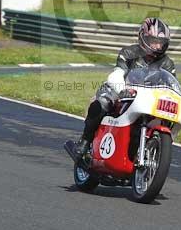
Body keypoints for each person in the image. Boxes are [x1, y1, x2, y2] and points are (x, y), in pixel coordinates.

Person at [71, 18, 175, 159]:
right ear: (143, 38)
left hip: (148, 98)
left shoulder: (168, 63)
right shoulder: (129, 52)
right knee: (102, 103)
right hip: (122, 91)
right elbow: (118, 73)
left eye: (161, 43)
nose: (157, 46)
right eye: (153, 41)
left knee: (166, 117)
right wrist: (121, 90)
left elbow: (171, 86)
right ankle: (85, 141)